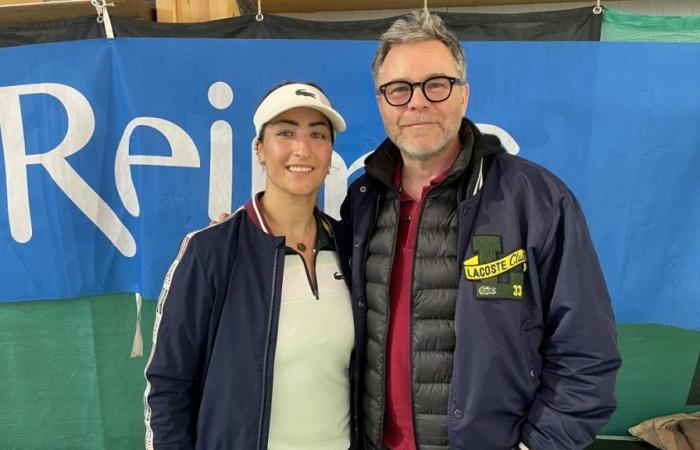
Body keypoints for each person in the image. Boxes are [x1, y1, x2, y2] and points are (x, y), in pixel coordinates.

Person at [340, 11, 622, 450]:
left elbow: (587, 354)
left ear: (464, 94)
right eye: (399, 89)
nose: (417, 102)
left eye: (436, 84)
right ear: (381, 102)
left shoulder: (535, 199)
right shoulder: (362, 199)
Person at [144, 82, 364, 449]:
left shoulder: (350, 246)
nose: (302, 148)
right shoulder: (210, 252)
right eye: (285, 132)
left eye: (318, 134)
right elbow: (168, 386)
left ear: (330, 153)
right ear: (259, 149)